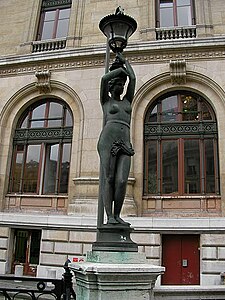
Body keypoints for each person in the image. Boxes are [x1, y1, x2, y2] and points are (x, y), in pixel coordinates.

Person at [97, 52, 136, 225]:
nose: (121, 85)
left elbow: (133, 79)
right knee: (109, 178)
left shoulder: (127, 101)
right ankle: (109, 217)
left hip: (125, 141)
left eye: (122, 84)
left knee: (122, 180)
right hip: (108, 140)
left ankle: (117, 215)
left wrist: (125, 62)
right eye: (118, 84)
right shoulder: (106, 102)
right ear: (112, 87)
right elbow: (104, 80)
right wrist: (118, 70)